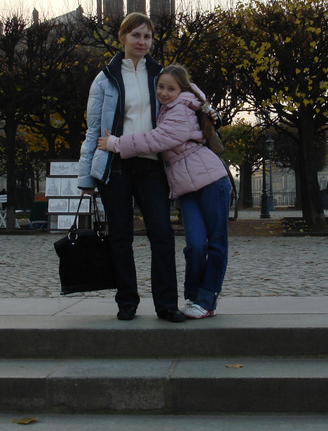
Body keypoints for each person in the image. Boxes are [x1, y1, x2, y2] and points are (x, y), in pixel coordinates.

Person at [77, 13, 185, 323]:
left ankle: (166, 304)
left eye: (147, 37)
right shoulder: (105, 78)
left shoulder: (161, 76)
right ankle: (127, 301)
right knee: (120, 236)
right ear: (123, 37)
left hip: (152, 164)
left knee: (162, 234)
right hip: (116, 165)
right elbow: (93, 129)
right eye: (136, 35)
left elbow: (185, 104)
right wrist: (86, 177)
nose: (142, 42)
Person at [98, 64, 230, 319]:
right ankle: (194, 297)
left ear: (181, 90)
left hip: (212, 181)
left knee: (215, 244)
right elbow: (194, 92)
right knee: (193, 245)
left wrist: (116, 143)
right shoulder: (175, 106)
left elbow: (157, 140)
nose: (164, 92)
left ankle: (207, 299)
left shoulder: (179, 110)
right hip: (187, 188)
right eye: (160, 87)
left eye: (171, 88)